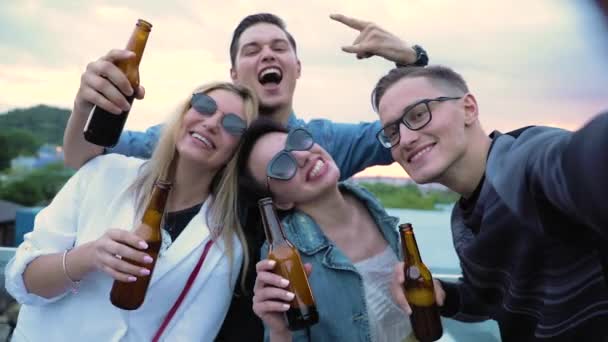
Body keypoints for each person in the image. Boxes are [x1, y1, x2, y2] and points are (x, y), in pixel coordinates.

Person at [60, 12, 428, 341]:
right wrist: (85, 102)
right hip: (202, 315)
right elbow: (84, 155)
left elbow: (407, 129)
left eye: (278, 46)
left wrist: (412, 60)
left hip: (296, 318)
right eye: (252, 49)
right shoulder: (201, 132)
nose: (267, 54)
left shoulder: (321, 142)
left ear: (298, 66)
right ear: (234, 73)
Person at [4, 78, 258, 341]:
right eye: (204, 105)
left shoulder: (225, 247)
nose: (212, 123)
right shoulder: (104, 172)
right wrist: (89, 256)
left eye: (233, 125)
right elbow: (22, 280)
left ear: (238, 149)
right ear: (185, 112)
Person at [370, 65, 608, 341]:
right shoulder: (465, 216)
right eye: (392, 132)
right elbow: (486, 300)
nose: (406, 139)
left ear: (469, 108)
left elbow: (583, 162)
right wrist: (442, 294)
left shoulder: (525, 163)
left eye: (419, 114)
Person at [235, 119, 424, 342]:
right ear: (279, 202)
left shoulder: (368, 201)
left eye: (297, 141)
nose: (302, 156)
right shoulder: (284, 253)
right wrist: (279, 330)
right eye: (281, 165)